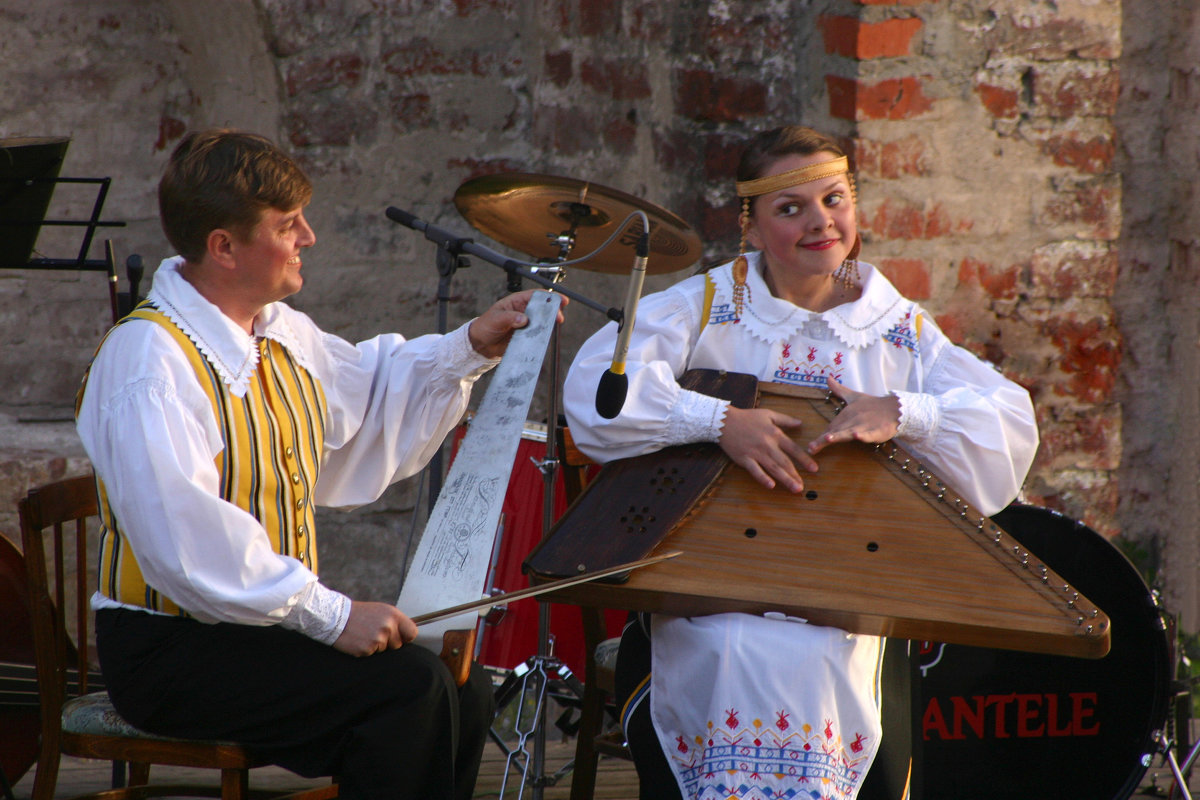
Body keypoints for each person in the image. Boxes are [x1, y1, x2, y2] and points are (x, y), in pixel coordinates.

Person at [75, 129, 558, 800]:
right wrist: (331, 615)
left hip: (252, 632)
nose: (309, 236)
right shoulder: (149, 362)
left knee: (461, 687)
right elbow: (185, 542)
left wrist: (470, 344)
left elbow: (366, 390)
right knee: (406, 695)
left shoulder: (278, 330)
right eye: (286, 225)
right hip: (171, 649)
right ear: (224, 246)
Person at [562, 125, 1039, 800]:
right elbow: (594, 391)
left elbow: (1008, 422)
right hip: (707, 595)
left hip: (847, 598)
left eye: (834, 200)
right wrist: (719, 421)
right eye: (791, 209)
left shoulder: (895, 326)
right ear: (750, 228)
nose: (821, 222)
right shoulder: (706, 306)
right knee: (729, 649)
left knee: (828, 660)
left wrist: (903, 412)